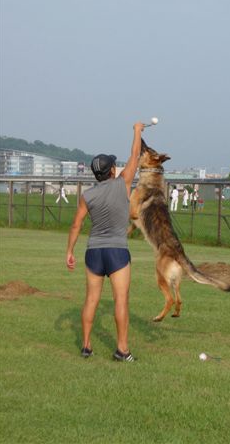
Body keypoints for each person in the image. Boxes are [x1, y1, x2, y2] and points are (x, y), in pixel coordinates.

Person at [66, 122, 144, 362]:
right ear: (112, 171)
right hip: (117, 252)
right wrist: (137, 130)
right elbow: (135, 155)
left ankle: (87, 346)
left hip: (93, 253)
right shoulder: (123, 184)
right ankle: (122, 350)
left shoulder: (87, 195)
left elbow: (76, 225)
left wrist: (69, 251)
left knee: (91, 299)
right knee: (121, 300)